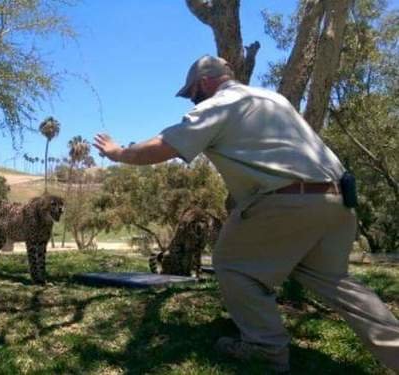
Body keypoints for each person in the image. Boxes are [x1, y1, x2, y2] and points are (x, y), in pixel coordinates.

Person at [93, 55, 399, 373]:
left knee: (232, 264)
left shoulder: (220, 104)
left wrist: (118, 153)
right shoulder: (272, 99)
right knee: (336, 283)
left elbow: (162, 147)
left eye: (193, 93)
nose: (193, 99)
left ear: (205, 82)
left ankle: (265, 347)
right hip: (338, 201)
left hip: (289, 202)